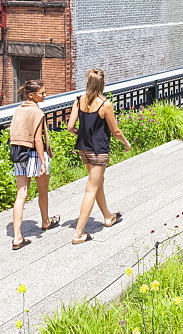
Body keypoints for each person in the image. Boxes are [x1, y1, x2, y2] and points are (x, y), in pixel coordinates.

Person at [67, 68, 131, 244]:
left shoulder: (79, 100)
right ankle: (78, 234)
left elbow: (70, 127)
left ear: (88, 82)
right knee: (91, 188)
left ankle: (108, 216)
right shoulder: (105, 104)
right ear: (103, 83)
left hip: (84, 150)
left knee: (97, 183)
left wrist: (83, 134)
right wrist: (126, 143)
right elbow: (115, 131)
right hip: (99, 151)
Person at [9, 80, 58, 250]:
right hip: (34, 155)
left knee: (21, 195)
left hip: (18, 154)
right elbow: (38, 139)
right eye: (42, 93)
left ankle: (17, 237)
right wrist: (43, 161)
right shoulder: (37, 112)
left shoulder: (18, 110)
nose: (45, 95)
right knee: (42, 191)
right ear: (32, 95)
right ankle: (46, 221)